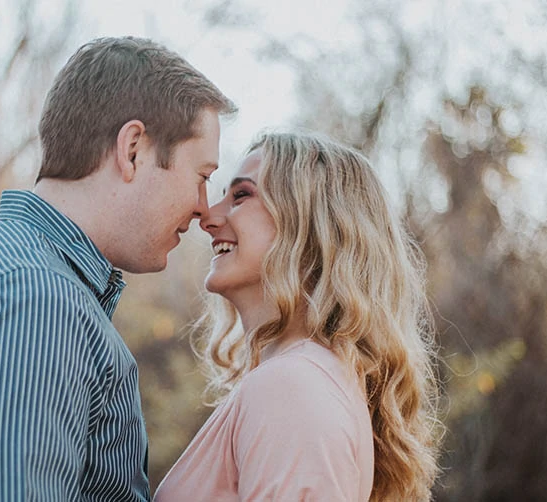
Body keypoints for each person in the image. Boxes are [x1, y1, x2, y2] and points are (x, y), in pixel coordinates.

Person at [0, 36, 236, 501]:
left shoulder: (31, 282)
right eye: (202, 177)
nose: (202, 208)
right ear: (132, 148)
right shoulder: (32, 300)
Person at [154, 131, 440, 501]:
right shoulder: (306, 378)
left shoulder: (292, 386)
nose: (207, 215)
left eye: (241, 195)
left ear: (310, 225)